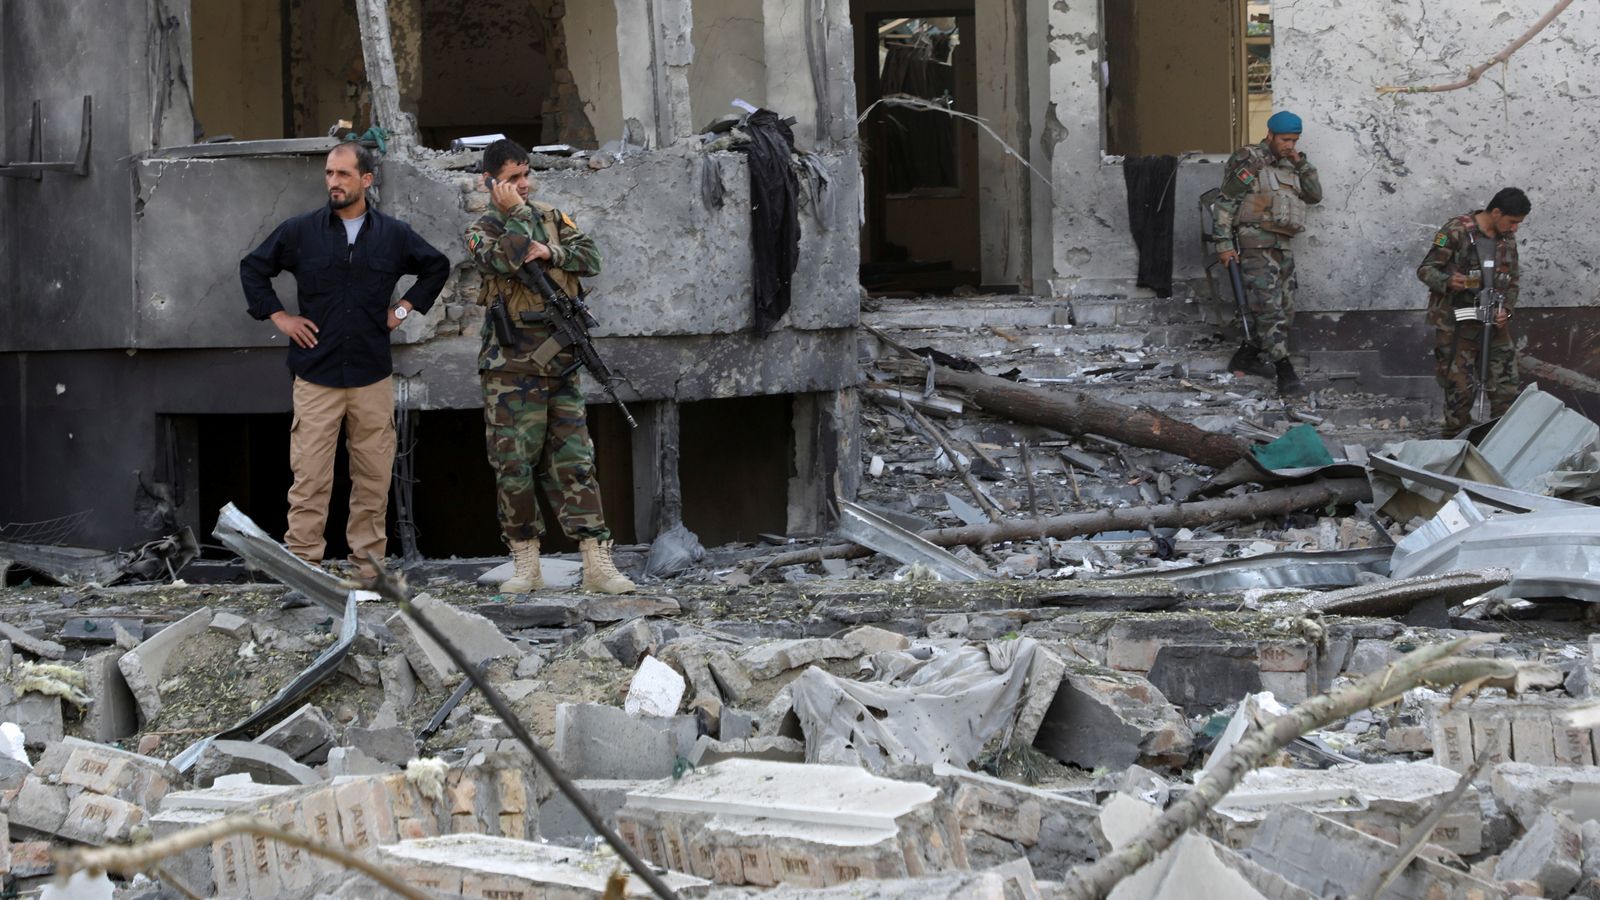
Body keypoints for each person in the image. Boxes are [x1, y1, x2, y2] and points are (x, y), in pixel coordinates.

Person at [240, 142, 449, 577]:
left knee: (373, 479)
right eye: (329, 174)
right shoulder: (300, 231)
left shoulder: (393, 235)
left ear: (366, 180)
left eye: (343, 174)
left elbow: (436, 266)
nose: (333, 182)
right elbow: (253, 268)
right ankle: (303, 570)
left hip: (371, 374)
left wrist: (402, 310)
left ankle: (368, 573)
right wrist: (280, 317)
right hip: (316, 373)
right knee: (310, 479)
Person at [464, 139, 635, 595]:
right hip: (510, 369)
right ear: (489, 182)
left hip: (560, 363)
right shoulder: (482, 229)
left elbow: (591, 257)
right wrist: (519, 217)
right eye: (512, 178)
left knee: (576, 463)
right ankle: (526, 563)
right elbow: (504, 258)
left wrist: (551, 252)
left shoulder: (552, 218)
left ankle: (597, 563)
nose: (523, 185)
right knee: (513, 466)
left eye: (526, 175)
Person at [1213, 110, 1323, 397]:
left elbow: (1314, 195)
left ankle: (1246, 357)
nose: (1290, 145)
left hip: (1282, 245)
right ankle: (1285, 373)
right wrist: (1223, 244)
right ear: (1270, 135)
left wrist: (1301, 163)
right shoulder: (1249, 159)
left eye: (1294, 140)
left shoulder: (1291, 165)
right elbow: (1226, 202)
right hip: (1255, 245)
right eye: (1285, 140)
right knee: (1268, 308)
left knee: (1286, 309)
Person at [1416, 187, 1529, 434]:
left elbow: (1512, 281)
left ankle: (1501, 440)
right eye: (1512, 222)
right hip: (1457, 324)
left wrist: (1507, 310)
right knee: (1459, 392)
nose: (1515, 229)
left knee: (1506, 387)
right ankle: (1456, 442)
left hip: (1494, 324)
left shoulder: (1507, 239)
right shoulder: (1455, 231)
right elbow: (1425, 269)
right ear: (1496, 212)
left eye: (1518, 224)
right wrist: (1448, 281)